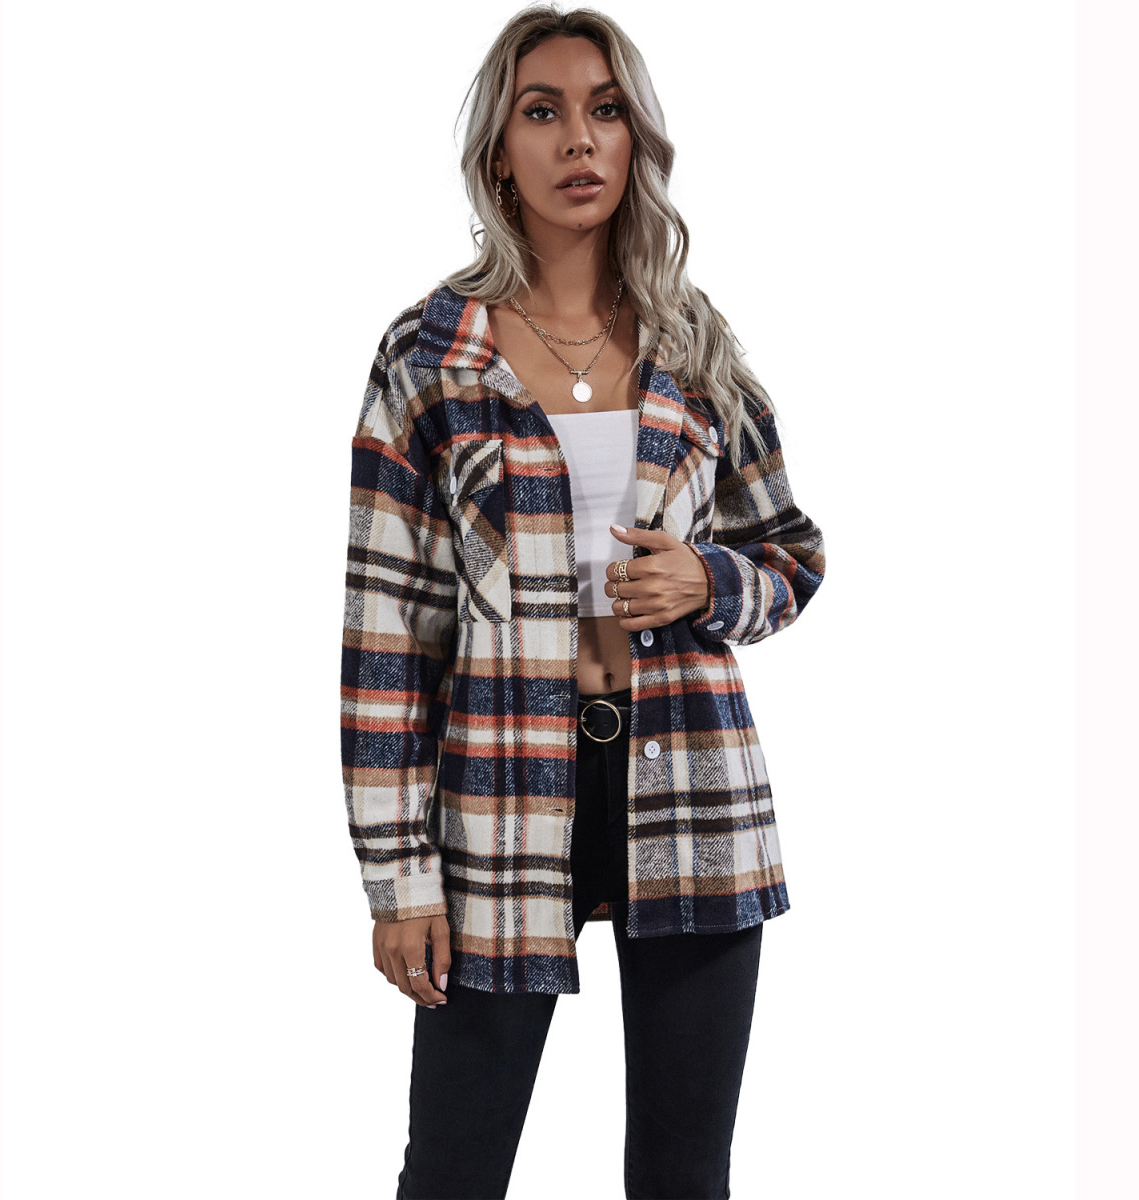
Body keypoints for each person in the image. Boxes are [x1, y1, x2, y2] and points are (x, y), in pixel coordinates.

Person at [340, 5, 826, 1197]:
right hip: (500, 799)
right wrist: (399, 881)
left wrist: (710, 580)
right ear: (500, 151)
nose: (579, 139)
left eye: (605, 111)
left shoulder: (692, 343)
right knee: (453, 1168)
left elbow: (791, 554)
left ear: (635, 139)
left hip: (692, 790)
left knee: (684, 1174)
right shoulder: (432, 356)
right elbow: (388, 638)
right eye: (543, 111)